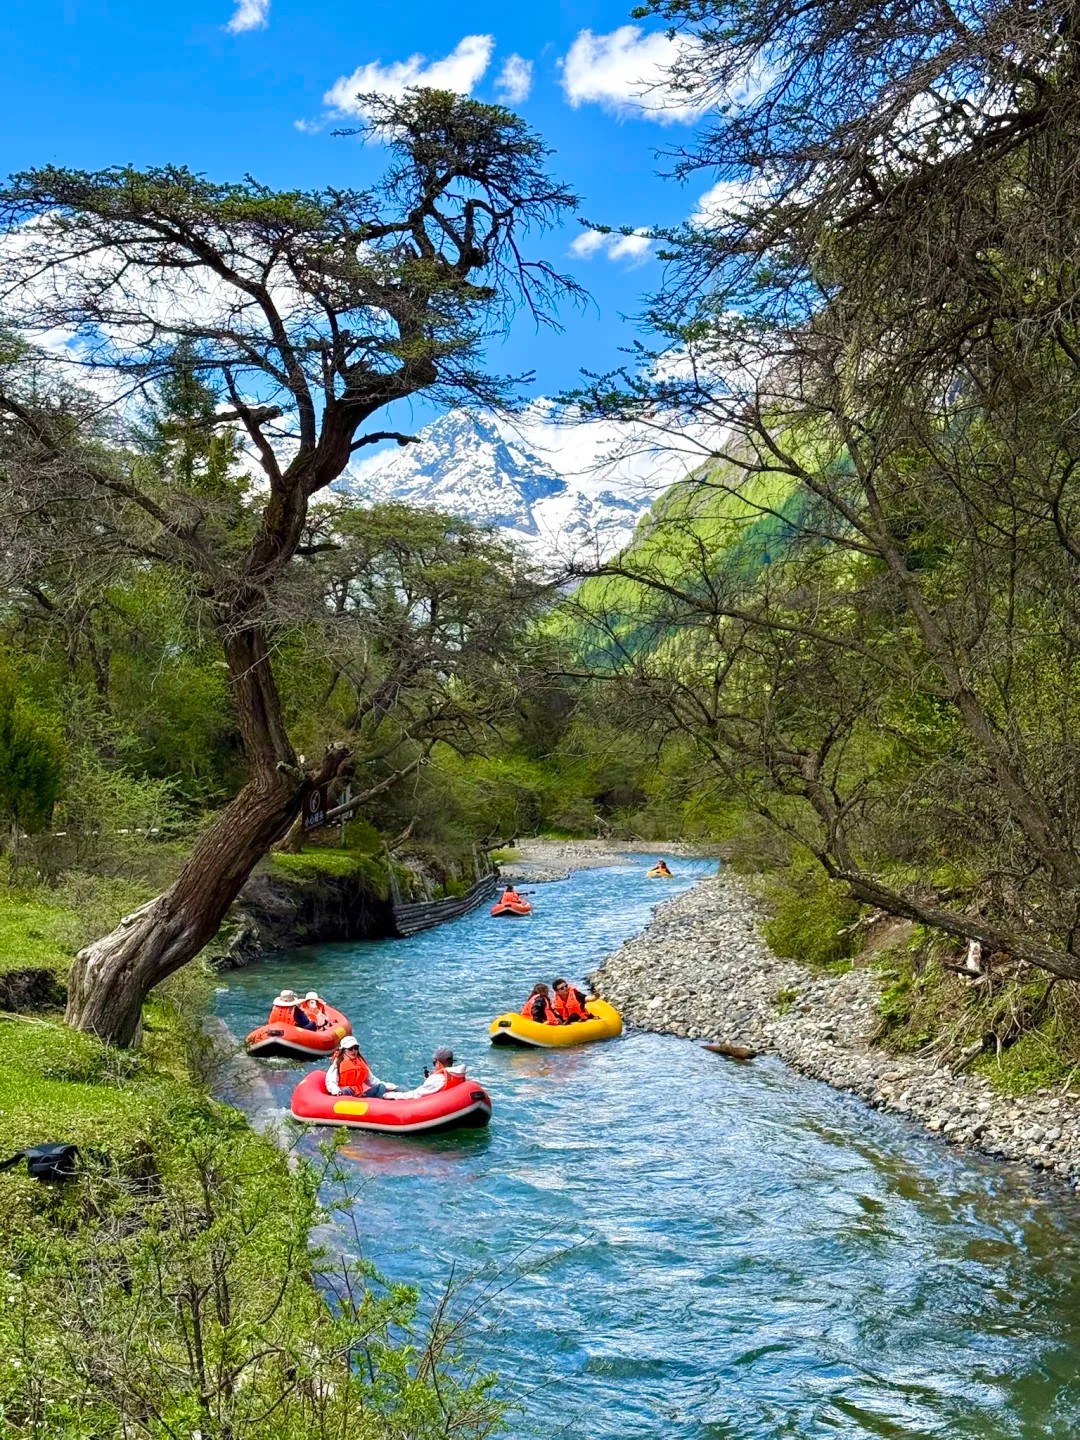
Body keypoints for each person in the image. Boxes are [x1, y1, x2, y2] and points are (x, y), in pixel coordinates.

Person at [385, 1047, 467, 1100]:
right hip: (442, 1100)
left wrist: (390, 1095)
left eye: (435, 1062)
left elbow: (415, 1095)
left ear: (439, 1063)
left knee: (400, 1089)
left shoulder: (437, 1079)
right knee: (399, 1088)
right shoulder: (458, 1074)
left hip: (421, 1103)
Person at [325, 1036, 393, 1098]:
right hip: (344, 1094)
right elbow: (331, 1082)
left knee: (381, 1087)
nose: (353, 1051)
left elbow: (373, 1081)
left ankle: (376, 1106)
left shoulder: (361, 1062)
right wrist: (336, 1091)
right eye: (350, 1049)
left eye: (356, 1048)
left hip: (360, 1094)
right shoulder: (337, 1064)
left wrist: (391, 1087)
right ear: (344, 1050)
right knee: (347, 1090)